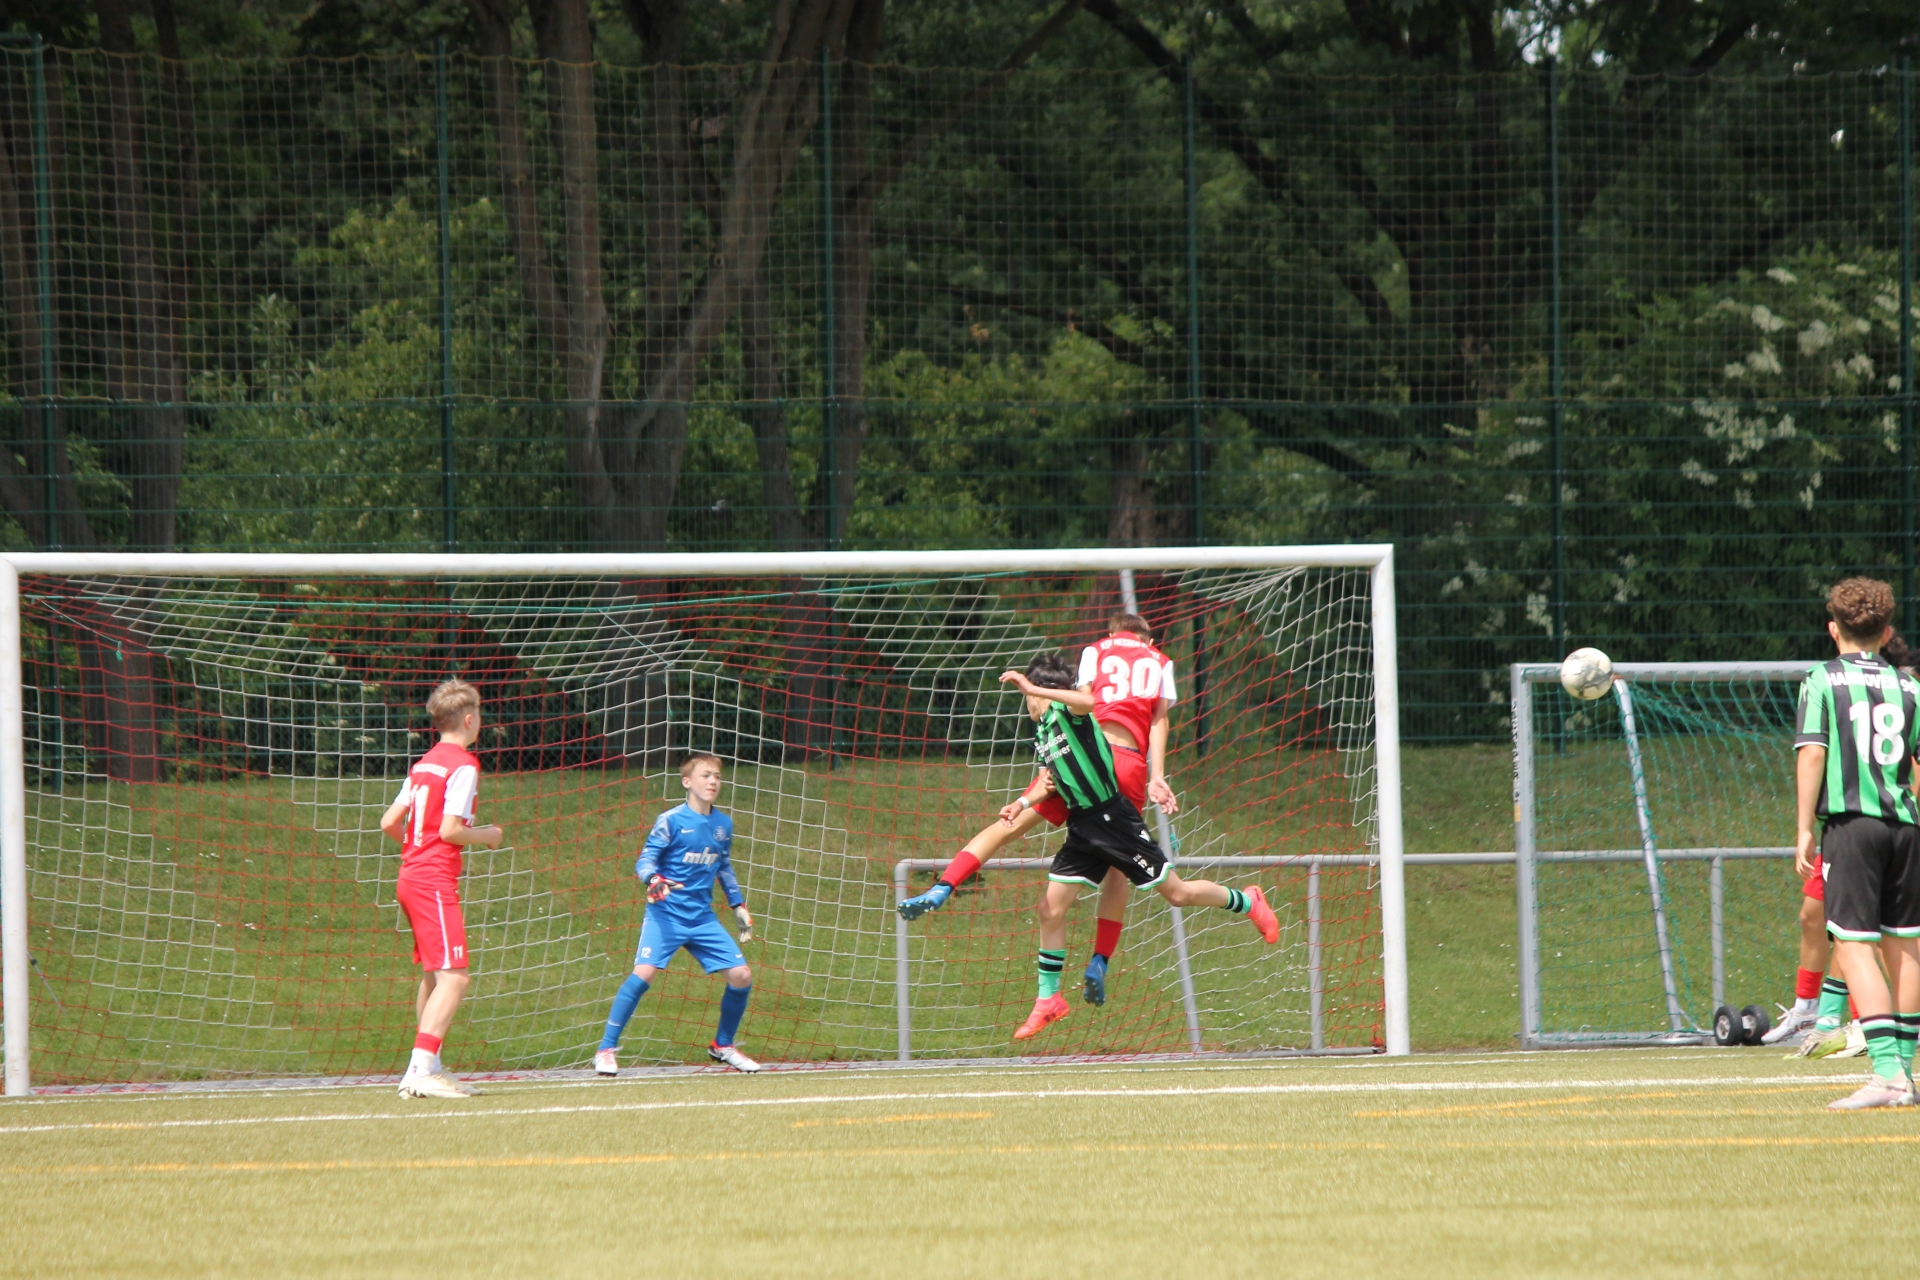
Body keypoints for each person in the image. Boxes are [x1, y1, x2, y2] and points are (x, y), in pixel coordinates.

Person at [898, 611, 1182, 1005]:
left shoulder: (1093, 656)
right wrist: (1158, 775)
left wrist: (1031, 791)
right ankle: (1100, 959)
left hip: (1085, 763)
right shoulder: (1156, 661)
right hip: (1127, 766)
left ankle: (945, 885)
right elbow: (1157, 719)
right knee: (1118, 868)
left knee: (1005, 829)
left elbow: (1085, 705)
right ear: (1147, 640)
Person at [1001, 652, 1277, 1041]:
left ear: (1039, 692)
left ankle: (1248, 901)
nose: (1026, 702)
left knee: (1178, 894)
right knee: (1050, 909)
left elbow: (1089, 701)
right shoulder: (1043, 731)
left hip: (1114, 821)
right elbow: (1048, 782)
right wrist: (1021, 803)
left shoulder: (1070, 714)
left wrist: (1033, 686)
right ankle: (1049, 1001)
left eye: (1028, 695)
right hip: (1083, 827)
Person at [1792, 579, 1920, 1109]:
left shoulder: (1822, 678)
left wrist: (1804, 826)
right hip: (1906, 829)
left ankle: (1888, 1075)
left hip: (1853, 827)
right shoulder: (1910, 686)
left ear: (1833, 629)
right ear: (1886, 634)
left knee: (1853, 945)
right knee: (1905, 946)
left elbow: (1813, 753)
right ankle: (1906, 1071)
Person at [595, 753, 761, 1076]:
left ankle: (723, 1045)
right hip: (666, 915)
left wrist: (738, 905)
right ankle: (605, 1049)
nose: (713, 781)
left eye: (717, 777)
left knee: (741, 976)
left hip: (702, 918)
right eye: (705, 776)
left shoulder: (723, 825)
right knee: (644, 973)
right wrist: (653, 880)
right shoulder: (670, 820)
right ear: (687, 782)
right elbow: (645, 860)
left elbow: (724, 866)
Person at [379, 678, 504, 1100]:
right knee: (455, 979)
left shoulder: (424, 764)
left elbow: (389, 822)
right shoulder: (463, 765)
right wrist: (488, 835)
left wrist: (417, 845)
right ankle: (419, 1071)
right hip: (432, 880)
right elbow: (450, 830)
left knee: (435, 976)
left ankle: (428, 1065)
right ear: (469, 720)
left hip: (411, 876)